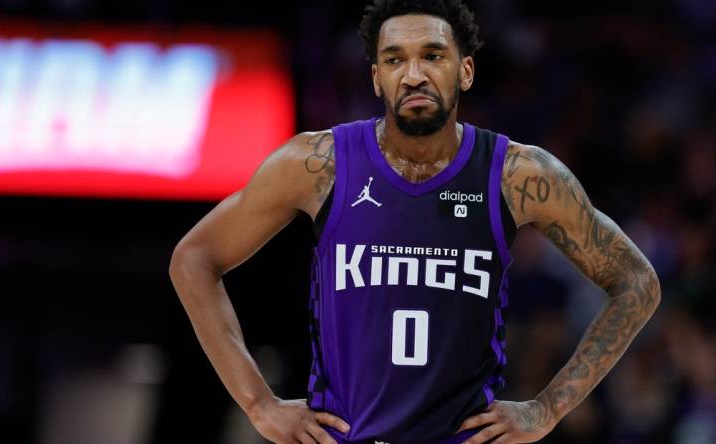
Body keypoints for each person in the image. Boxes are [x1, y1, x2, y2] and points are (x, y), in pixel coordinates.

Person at [168, 1, 661, 442]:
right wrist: (259, 404)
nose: (413, 74)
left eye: (432, 55)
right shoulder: (317, 164)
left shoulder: (518, 174)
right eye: (394, 59)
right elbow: (194, 258)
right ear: (376, 78)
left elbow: (637, 282)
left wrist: (549, 408)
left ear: (465, 71)